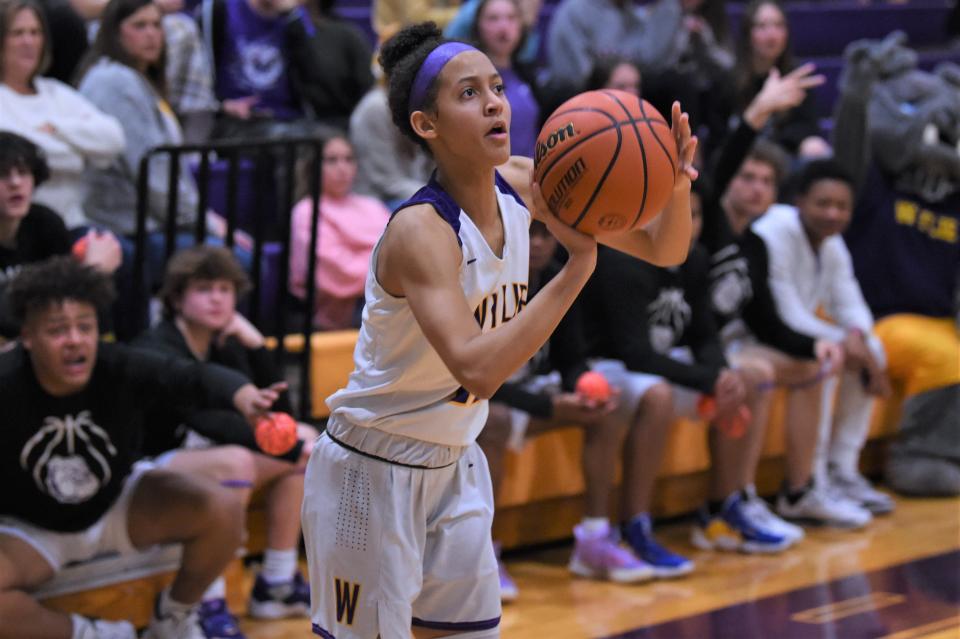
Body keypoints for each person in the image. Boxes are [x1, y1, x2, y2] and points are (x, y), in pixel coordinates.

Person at [301, 21, 698, 638]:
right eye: (467, 93)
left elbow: (663, 249)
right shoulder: (420, 233)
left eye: (496, 87)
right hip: (372, 470)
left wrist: (671, 183)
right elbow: (479, 370)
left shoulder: (526, 183)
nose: (493, 102)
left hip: (456, 462)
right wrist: (578, 267)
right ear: (425, 125)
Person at [0, 257, 283, 639]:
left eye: (85, 327)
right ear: (27, 337)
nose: (75, 340)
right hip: (33, 530)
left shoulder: (118, 366)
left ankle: (175, 616)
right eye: (57, 330)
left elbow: (192, 377)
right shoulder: (6, 383)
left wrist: (246, 397)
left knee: (222, 508)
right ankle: (91, 634)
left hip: (118, 504)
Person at [479, 220, 682, 597]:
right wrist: (551, 405)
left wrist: (581, 393)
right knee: (494, 420)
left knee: (606, 407)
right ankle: (483, 555)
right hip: (485, 396)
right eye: (530, 234)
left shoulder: (558, 276)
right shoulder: (487, 281)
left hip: (530, 389)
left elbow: (572, 359)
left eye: (545, 235)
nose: (538, 244)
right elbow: (478, 380)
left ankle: (594, 539)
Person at [583, 191, 793, 555]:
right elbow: (635, 354)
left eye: (694, 215)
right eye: (676, 214)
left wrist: (722, 377)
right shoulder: (622, 261)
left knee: (746, 380)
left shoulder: (694, 259)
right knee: (659, 396)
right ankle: (635, 524)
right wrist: (707, 379)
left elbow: (704, 336)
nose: (688, 225)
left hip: (658, 363)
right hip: (609, 366)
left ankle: (722, 508)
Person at [134, 245, 317, 637]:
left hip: (211, 459)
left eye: (224, 289)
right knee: (238, 459)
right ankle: (208, 600)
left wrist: (256, 347)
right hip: (150, 467)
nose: (217, 298)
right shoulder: (157, 346)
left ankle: (276, 584)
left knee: (303, 441)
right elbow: (202, 420)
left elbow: (279, 413)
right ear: (177, 297)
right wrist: (283, 444)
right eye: (204, 289)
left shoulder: (227, 343)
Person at [831, 33, 960, 497]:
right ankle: (922, 453)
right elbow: (846, 155)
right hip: (877, 317)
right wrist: (855, 95)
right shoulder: (878, 184)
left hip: (938, 317)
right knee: (948, 357)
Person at [753, 159, 894, 524]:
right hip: (755, 337)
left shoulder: (831, 243)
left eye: (842, 206)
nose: (833, 213)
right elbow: (785, 314)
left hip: (796, 337)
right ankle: (809, 482)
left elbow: (851, 302)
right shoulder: (774, 232)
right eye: (823, 203)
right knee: (830, 357)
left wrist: (858, 337)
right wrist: (845, 343)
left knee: (870, 348)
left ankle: (841, 470)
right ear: (799, 201)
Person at [0, 0, 125, 231]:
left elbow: (114, 138)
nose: (28, 42)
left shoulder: (55, 92)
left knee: (114, 252)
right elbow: (23, 157)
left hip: (75, 222)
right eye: (17, 33)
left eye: (35, 33)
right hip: (21, 227)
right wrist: (79, 152)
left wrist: (56, 128)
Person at [0, 132, 121, 341]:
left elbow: (66, 297)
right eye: (2, 175)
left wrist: (90, 276)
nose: (16, 183)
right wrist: (91, 272)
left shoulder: (45, 223)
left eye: (23, 172)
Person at [288, 132, 390, 330]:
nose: (342, 168)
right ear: (313, 166)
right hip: (345, 309)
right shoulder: (306, 211)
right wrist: (389, 270)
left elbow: (401, 250)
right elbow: (336, 271)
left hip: (387, 292)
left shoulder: (372, 205)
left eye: (348, 159)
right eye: (332, 160)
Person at [726, 0, 829, 158]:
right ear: (747, 33)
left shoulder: (798, 76)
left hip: (783, 156)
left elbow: (808, 129)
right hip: (740, 157)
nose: (772, 35)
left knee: (815, 147)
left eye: (779, 25)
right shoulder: (728, 78)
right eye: (762, 26)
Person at [469, 0, 539, 159]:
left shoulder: (528, 75)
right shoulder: (469, 79)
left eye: (511, 18)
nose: (503, 27)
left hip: (530, 175)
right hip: (493, 178)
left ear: (521, 25)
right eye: (493, 18)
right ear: (477, 25)